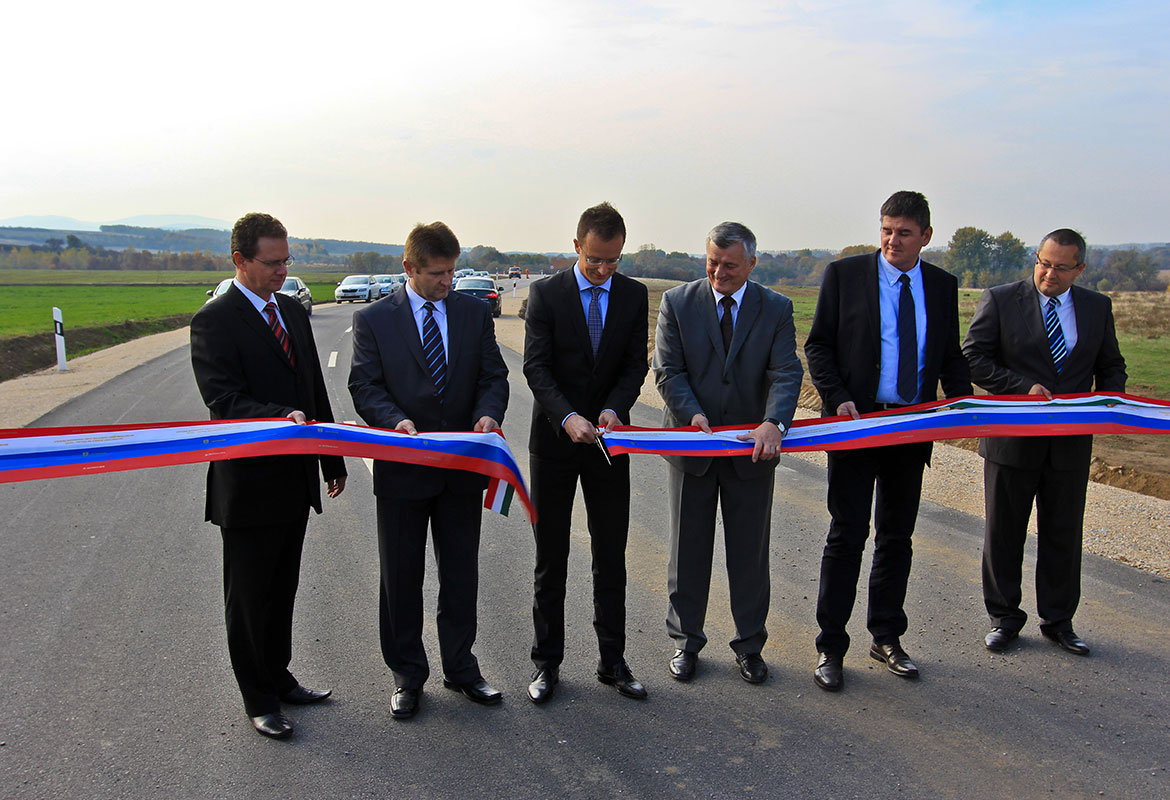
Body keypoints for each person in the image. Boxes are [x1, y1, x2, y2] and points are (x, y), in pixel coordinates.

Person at [804, 191, 971, 692]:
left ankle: (886, 637)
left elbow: (950, 357)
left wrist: (963, 405)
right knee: (847, 535)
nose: (892, 240)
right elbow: (819, 345)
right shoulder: (846, 275)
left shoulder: (942, 286)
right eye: (885, 229)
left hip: (911, 429)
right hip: (857, 426)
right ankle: (831, 647)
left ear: (926, 236)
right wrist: (836, 398)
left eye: (902, 232)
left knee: (896, 538)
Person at [190, 212, 347, 739]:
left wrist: (332, 456)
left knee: (284, 588)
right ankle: (256, 696)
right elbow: (223, 399)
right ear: (240, 260)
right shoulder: (214, 320)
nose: (282, 271)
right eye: (271, 262)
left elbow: (312, 392)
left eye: (287, 261)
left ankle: (280, 678)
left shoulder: (292, 314)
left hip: (294, 480)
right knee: (249, 595)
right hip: (249, 484)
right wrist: (278, 421)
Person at [348, 221, 509, 720]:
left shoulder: (472, 312)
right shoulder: (375, 320)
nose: (447, 282)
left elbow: (493, 375)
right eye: (437, 273)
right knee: (401, 576)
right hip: (402, 468)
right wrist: (393, 420)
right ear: (409, 268)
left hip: (461, 469)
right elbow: (364, 385)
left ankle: (461, 668)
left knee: (460, 574)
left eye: (452, 272)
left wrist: (489, 413)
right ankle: (406, 674)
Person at [962, 228, 1126, 656]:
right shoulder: (1000, 299)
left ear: (1080, 269)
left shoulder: (1096, 307)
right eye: (1043, 262)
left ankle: (1058, 621)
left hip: (1070, 445)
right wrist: (1021, 387)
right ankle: (1003, 618)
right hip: (1012, 442)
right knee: (1004, 532)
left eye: (1060, 267)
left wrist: (1111, 403)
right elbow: (974, 358)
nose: (1048, 273)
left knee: (1063, 535)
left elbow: (1111, 366)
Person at [652, 221, 803, 684]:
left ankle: (750, 645)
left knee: (749, 555)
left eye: (730, 265)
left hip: (751, 456)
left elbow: (785, 372)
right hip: (692, 448)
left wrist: (773, 422)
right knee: (688, 552)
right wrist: (692, 414)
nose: (719, 272)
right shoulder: (677, 303)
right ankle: (686, 643)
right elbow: (667, 370)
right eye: (712, 263)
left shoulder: (775, 308)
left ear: (752, 265)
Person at [522, 202, 650, 704]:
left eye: (613, 261)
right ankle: (547, 663)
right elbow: (536, 368)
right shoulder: (546, 294)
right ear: (576, 247)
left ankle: (612, 660)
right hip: (555, 443)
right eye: (595, 260)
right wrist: (568, 417)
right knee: (551, 557)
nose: (603, 270)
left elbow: (633, 366)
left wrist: (615, 410)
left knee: (610, 554)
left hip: (609, 444)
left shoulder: (633, 295)